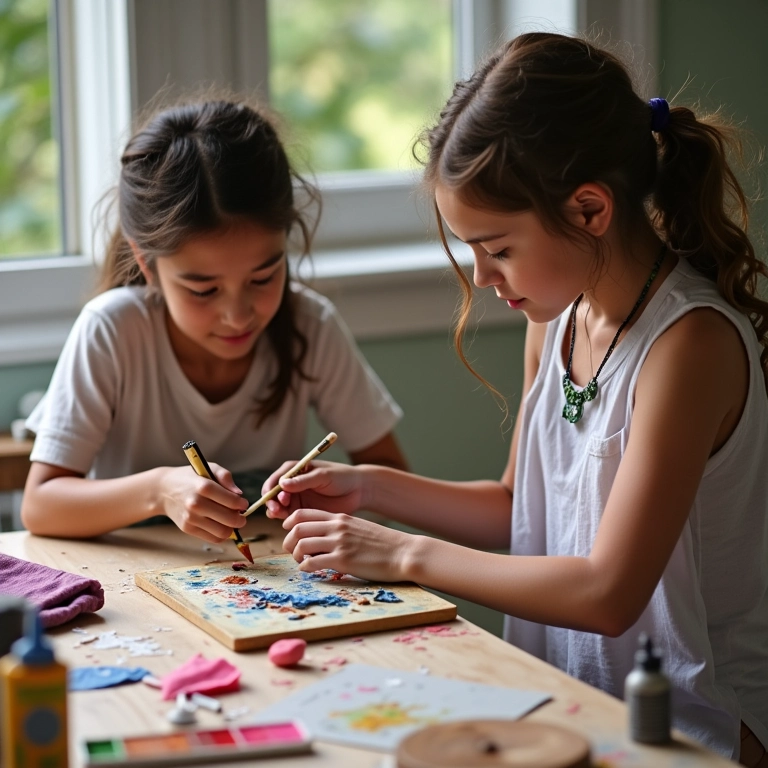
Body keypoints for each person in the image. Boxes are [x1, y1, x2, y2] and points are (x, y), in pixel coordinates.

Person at [261, 34, 768, 764]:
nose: (482, 276)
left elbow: (606, 591)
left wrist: (401, 553)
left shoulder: (688, 347)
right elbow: (517, 509)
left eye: (496, 248)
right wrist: (367, 487)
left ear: (590, 209)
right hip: (573, 708)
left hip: (691, 730)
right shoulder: (559, 320)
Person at [21, 98, 407, 544]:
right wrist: (158, 491)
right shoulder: (113, 329)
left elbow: (391, 477)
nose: (238, 314)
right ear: (148, 266)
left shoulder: (309, 323)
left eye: (264, 277)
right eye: (203, 290)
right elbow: (41, 505)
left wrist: (328, 493)